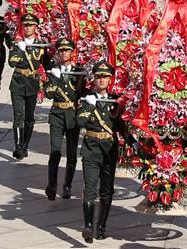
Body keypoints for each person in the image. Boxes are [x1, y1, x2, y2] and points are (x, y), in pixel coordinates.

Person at [77, 60, 137, 243]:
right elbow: (80, 122)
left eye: (105, 77)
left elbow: (120, 126)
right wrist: (91, 105)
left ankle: (101, 226)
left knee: (106, 191)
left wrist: (134, 144)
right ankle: (88, 226)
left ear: (109, 80)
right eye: (98, 77)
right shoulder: (86, 100)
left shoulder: (115, 101)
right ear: (94, 79)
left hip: (109, 150)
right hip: (92, 149)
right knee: (90, 189)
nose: (101, 80)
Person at [44, 37, 83, 201]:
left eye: (67, 50)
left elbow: (82, 92)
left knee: (72, 154)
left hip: (72, 115)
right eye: (61, 51)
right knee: (55, 151)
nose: (64, 53)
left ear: (72, 52)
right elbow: (48, 93)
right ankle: (52, 185)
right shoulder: (53, 71)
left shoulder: (79, 71)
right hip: (57, 114)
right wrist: (57, 78)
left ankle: (67, 185)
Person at [8, 13, 51, 159]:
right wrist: (20, 49)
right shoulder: (17, 44)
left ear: (36, 27)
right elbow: (12, 62)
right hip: (18, 82)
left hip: (32, 83)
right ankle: (18, 147)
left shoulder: (41, 44)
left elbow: (47, 64)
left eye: (30, 25)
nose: (27, 28)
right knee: (18, 116)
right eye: (25, 25)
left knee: (29, 117)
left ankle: (25, 145)